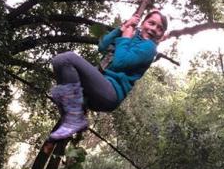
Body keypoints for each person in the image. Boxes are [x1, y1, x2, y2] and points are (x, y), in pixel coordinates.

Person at [47, 10, 168, 141]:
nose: (154, 29)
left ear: (161, 34)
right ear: (143, 22)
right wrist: (122, 28)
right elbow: (102, 46)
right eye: (151, 23)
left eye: (159, 28)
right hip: (96, 87)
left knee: (66, 59)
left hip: (111, 92)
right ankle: (75, 113)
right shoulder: (132, 34)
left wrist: (125, 37)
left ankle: (74, 117)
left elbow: (119, 63)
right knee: (59, 64)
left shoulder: (149, 48)